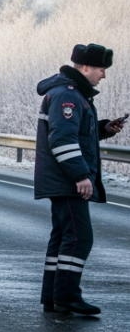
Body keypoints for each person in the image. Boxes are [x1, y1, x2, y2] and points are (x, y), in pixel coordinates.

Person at [35, 43, 121, 315]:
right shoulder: (67, 96)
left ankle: (53, 296)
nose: (103, 75)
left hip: (61, 178)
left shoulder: (71, 94)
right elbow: (62, 139)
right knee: (79, 237)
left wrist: (103, 129)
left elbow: (77, 133)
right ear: (85, 68)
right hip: (66, 180)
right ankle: (67, 296)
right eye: (100, 69)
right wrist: (81, 176)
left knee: (62, 237)